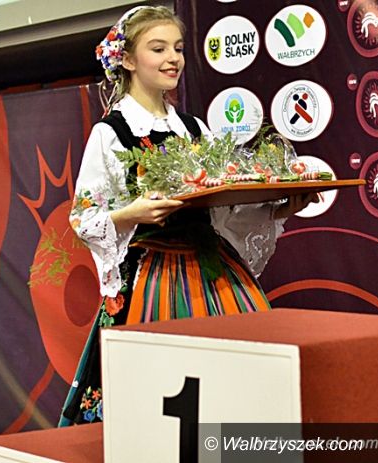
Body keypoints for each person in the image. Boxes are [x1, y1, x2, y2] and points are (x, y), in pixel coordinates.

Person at [59, 6, 317, 426]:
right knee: (159, 398)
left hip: (213, 272)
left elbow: (223, 209)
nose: (173, 59)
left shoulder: (195, 128)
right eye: (158, 48)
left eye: (177, 48)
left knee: (236, 383)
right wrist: (132, 213)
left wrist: (280, 206)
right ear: (128, 59)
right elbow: (84, 218)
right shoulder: (112, 132)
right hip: (152, 277)